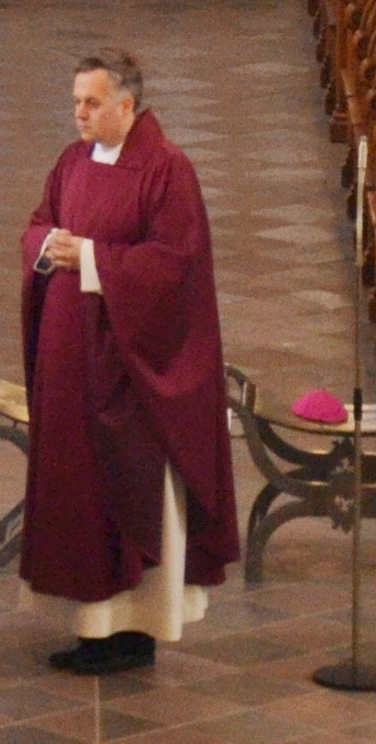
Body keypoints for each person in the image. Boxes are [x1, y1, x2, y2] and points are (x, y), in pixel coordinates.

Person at [19, 49, 238, 673]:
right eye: (75, 103)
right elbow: (39, 224)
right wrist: (47, 245)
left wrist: (91, 257)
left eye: (90, 103)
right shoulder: (72, 162)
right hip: (68, 359)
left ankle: (134, 628)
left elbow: (177, 265)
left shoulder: (168, 171)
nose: (79, 115)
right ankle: (92, 625)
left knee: (128, 488)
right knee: (76, 489)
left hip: (131, 365)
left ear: (126, 105)